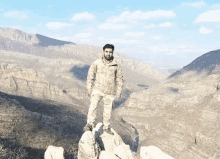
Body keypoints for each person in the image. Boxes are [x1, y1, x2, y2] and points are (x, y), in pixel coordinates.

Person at [83, 44, 123, 135]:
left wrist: (119, 91)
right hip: (98, 89)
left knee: (108, 111)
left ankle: (106, 127)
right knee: (93, 107)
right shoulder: (97, 63)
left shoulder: (116, 65)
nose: (108, 54)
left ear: (113, 53)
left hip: (110, 91)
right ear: (103, 52)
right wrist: (89, 88)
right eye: (106, 51)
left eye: (110, 52)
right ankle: (89, 124)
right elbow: (90, 75)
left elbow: (119, 79)